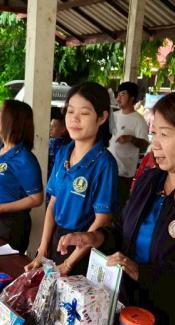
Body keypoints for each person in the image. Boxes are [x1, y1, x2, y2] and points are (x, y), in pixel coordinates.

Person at [57, 90, 175, 325]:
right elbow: (121, 232)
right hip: (128, 309)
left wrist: (141, 271)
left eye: (165, 134)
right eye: (153, 134)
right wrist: (94, 238)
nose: (155, 145)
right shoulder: (151, 181)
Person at [25, 82, 118, 276]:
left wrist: (69, 263)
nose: (74, 119)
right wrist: (42, 250)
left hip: (83, 247)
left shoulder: (104, 163)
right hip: (57, 240)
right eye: (70, 111)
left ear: (101, 118)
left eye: (84, 113)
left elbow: (102, 219)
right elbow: (53, 203)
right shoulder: (63, 152)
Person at [0, 100, 43, 254]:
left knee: (7, 268)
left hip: (12, 224)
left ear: (11, 121)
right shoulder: (0, 151)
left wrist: (1, 208)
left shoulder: (25, 159)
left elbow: (37, 198)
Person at [109, 82, 149, 210]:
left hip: (124, 173)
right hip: (107, 169)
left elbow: (144, 145)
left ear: (132, 98)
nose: (118, 98)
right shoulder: (113, 116)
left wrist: (130, 138)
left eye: (123, 94)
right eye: (118, 95)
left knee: (117, 208)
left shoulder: (139, 120)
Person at [48, 110, 69, 176]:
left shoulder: (54, 142)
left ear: (63, 129)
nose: (50, 129)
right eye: (50, 126)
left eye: (53, 126)